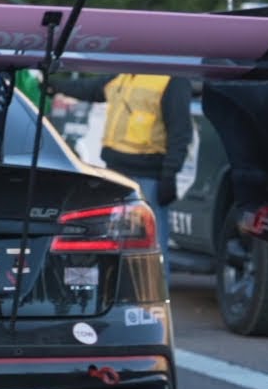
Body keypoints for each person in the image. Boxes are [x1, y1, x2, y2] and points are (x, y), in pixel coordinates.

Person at [50, 73, 193, 278]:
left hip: (148, 178)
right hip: (115, 174)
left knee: (150, 250)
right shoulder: (123, 74)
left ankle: (152, 304)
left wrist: (169, 175)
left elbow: (180, 132)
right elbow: (89, 88)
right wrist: (56, 85)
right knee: (112, 243)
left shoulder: (172, 79)